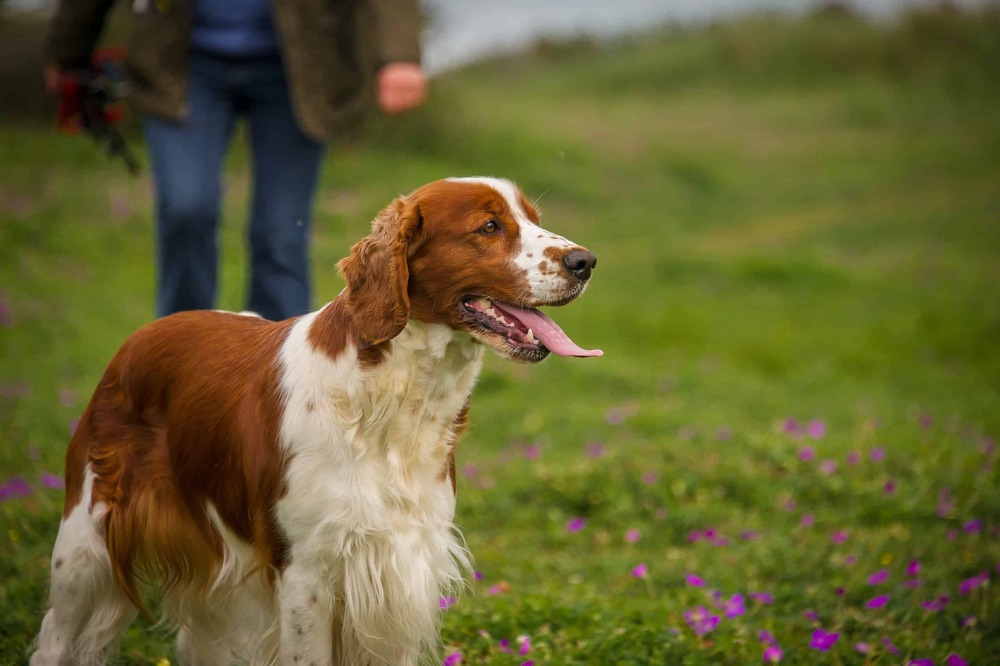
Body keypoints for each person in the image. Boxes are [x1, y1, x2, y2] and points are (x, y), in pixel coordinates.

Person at [45, 0, 427, 321]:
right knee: (185, 209)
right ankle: (180, 354)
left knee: (280, 232)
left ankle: (278, 375)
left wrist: (399, 55)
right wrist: (67, 50)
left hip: (298, 70)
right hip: (182, 66)